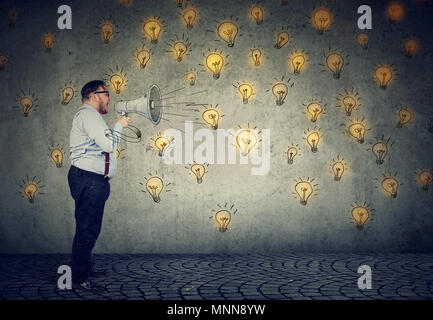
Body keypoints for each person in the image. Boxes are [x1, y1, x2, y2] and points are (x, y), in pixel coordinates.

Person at [68, 80, 130, 291]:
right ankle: (78, 278)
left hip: (90, 180)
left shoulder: (91, 116)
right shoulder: (88, 115)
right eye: (106, 94)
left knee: (89, 228)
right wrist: (119, 125)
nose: (109, 98)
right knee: (87, 229)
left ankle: (84, 267)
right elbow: (108, 145)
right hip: (89, 180)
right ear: (94, 95)